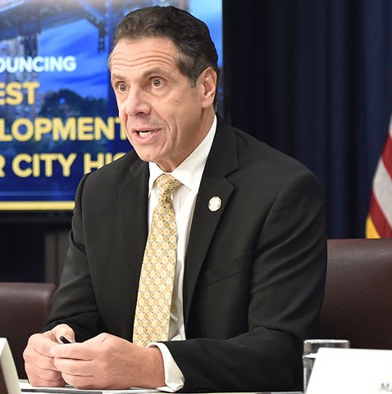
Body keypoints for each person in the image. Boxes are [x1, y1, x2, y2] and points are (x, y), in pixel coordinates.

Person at [22, 6, 326, 392]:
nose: (133, 106)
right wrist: (55, 347)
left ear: (205, 88)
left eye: (155, 83)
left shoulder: (281, 190)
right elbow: (76, 318)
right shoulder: (98, 192)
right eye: (121, 86)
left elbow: (282, 350)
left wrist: (152, 367)